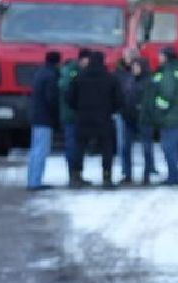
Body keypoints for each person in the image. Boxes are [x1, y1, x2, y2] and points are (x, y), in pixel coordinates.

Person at [67, 50, 121, 187]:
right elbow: (119, 99)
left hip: (83, 117)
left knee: (79, 147)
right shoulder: (110, 78)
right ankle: (107, 177)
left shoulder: (79, 77)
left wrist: (78, 109)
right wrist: (111, 110)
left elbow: (70, 98)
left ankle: (76, 176)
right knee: (107, 147)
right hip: (104, 118)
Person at [150, 47, 178, 184]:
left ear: (166, 57)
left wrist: (159, 110)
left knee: (169, 148)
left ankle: (173, 176)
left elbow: (167, 94)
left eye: (161, 55)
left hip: (170, 118)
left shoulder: (169, 72)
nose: (159, 58)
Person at [26, 51, 62, 191]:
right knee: (41, 150)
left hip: (36, 116)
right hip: (45, 118)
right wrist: (56, 116)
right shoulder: (51, 76)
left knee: (35, 150)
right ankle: (35, 182)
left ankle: (32, 180)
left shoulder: (40, 73)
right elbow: (51, 99)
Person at [127, 56, 158, 184]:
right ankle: (128, 175)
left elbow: (150, 102)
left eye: (136, 66)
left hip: (145, 119)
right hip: (131, 117)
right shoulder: (131, 80)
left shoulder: (149, 81)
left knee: (146, 147)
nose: (134, 69)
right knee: (128, 147)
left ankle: (147, 174)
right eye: (133, 66)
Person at [59, 52, 83, 188]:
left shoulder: (66, 72)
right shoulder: (71, 73)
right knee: (73, 145)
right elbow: (67, 91)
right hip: (71, 116)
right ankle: (74, 175)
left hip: (70, 115)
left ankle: (75, 175)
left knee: (74, 145)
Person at [113, 54, 137, 185]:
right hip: (123, 112)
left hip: (130, 112)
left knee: (124, 143)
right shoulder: (120, 74)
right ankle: (125, 171)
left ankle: (128, 172)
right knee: (123, 144)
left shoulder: (119, 74)